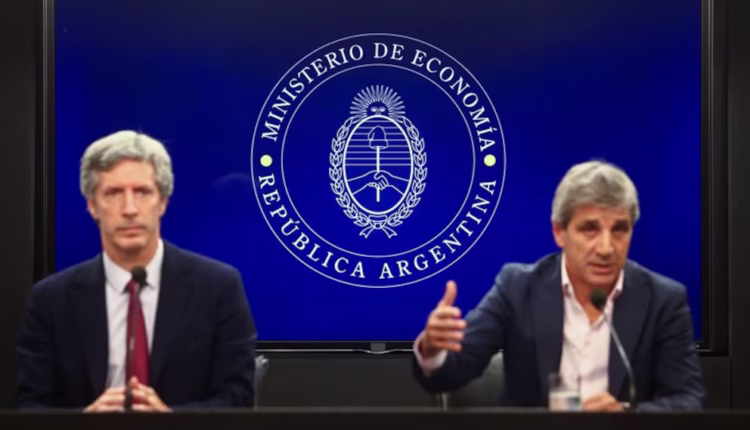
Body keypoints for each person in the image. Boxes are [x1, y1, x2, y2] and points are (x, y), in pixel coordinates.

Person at [413, 160, 705, 411]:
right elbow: (450, 374)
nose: (606, 248)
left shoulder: (663, 300)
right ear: (559, 232)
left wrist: (624, 416)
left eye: (619, 229)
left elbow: (689, 400)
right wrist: (432, 348)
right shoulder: (518, 288)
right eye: (589, 229)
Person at [17, 130, 257, 411]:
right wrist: (84, 421)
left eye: (142, 192)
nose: (129, 209)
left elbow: (238, 399)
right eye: (113, 193)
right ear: (92, 205)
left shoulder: (218, 288)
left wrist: (172, 422)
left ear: (163, 201)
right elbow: (31, 406)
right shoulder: (51, 300)